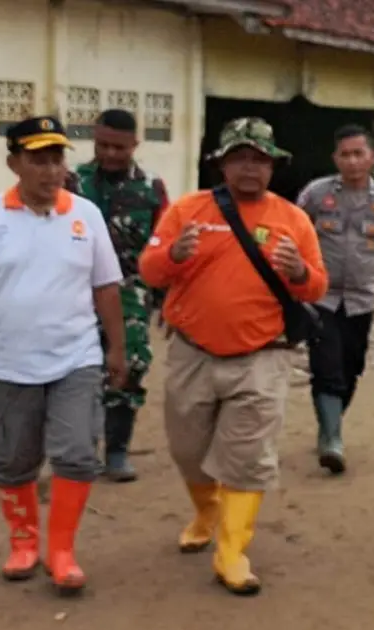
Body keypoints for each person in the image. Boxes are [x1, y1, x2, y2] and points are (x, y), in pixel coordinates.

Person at [0, 115, 127, 594]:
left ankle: (62, 552)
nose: (50, 169)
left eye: (57, 158)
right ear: (14, 163)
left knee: (78, 453)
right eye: (38, 159)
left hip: (76, 359)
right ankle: (24, 542)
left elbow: (106, 287)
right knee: (14, 461)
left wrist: (118, 348)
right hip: (9, 362)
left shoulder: (87, 215)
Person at [139, 117, 329, 596]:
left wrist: (300, 271)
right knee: (188, 451)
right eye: (240, 158)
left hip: (261, 357)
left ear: (272, 166)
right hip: (192, 353)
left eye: (260, 159)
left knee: (248, 458)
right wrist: (174, 257)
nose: (250, 167)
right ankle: (206, 512)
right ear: (221, 164)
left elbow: (317, 285)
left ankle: (231, 552)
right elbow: (150, 270)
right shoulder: (187, 210)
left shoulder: (293, 220)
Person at [65, 108, 170, 483]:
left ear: (134, 145)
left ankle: (118, 450)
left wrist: (165, 298)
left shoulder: (151, 187)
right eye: (103, 145)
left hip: (130, 291)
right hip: (76, 291)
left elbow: (162, 242)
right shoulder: (72, 182)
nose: (110, 154)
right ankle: (85, 448)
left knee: (130, 364)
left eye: (119, 147)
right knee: (79, 369)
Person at [296, 125, 374, 474]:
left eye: (359, 154)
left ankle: (330, 426)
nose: (352, 161)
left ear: (372, 157)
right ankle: (332, 441)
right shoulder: (315, 194)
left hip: (361, 300)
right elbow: (297, 233)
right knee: (326, 368)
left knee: (351, 368)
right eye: (345, 154)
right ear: (335, 158)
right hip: (321, 297)